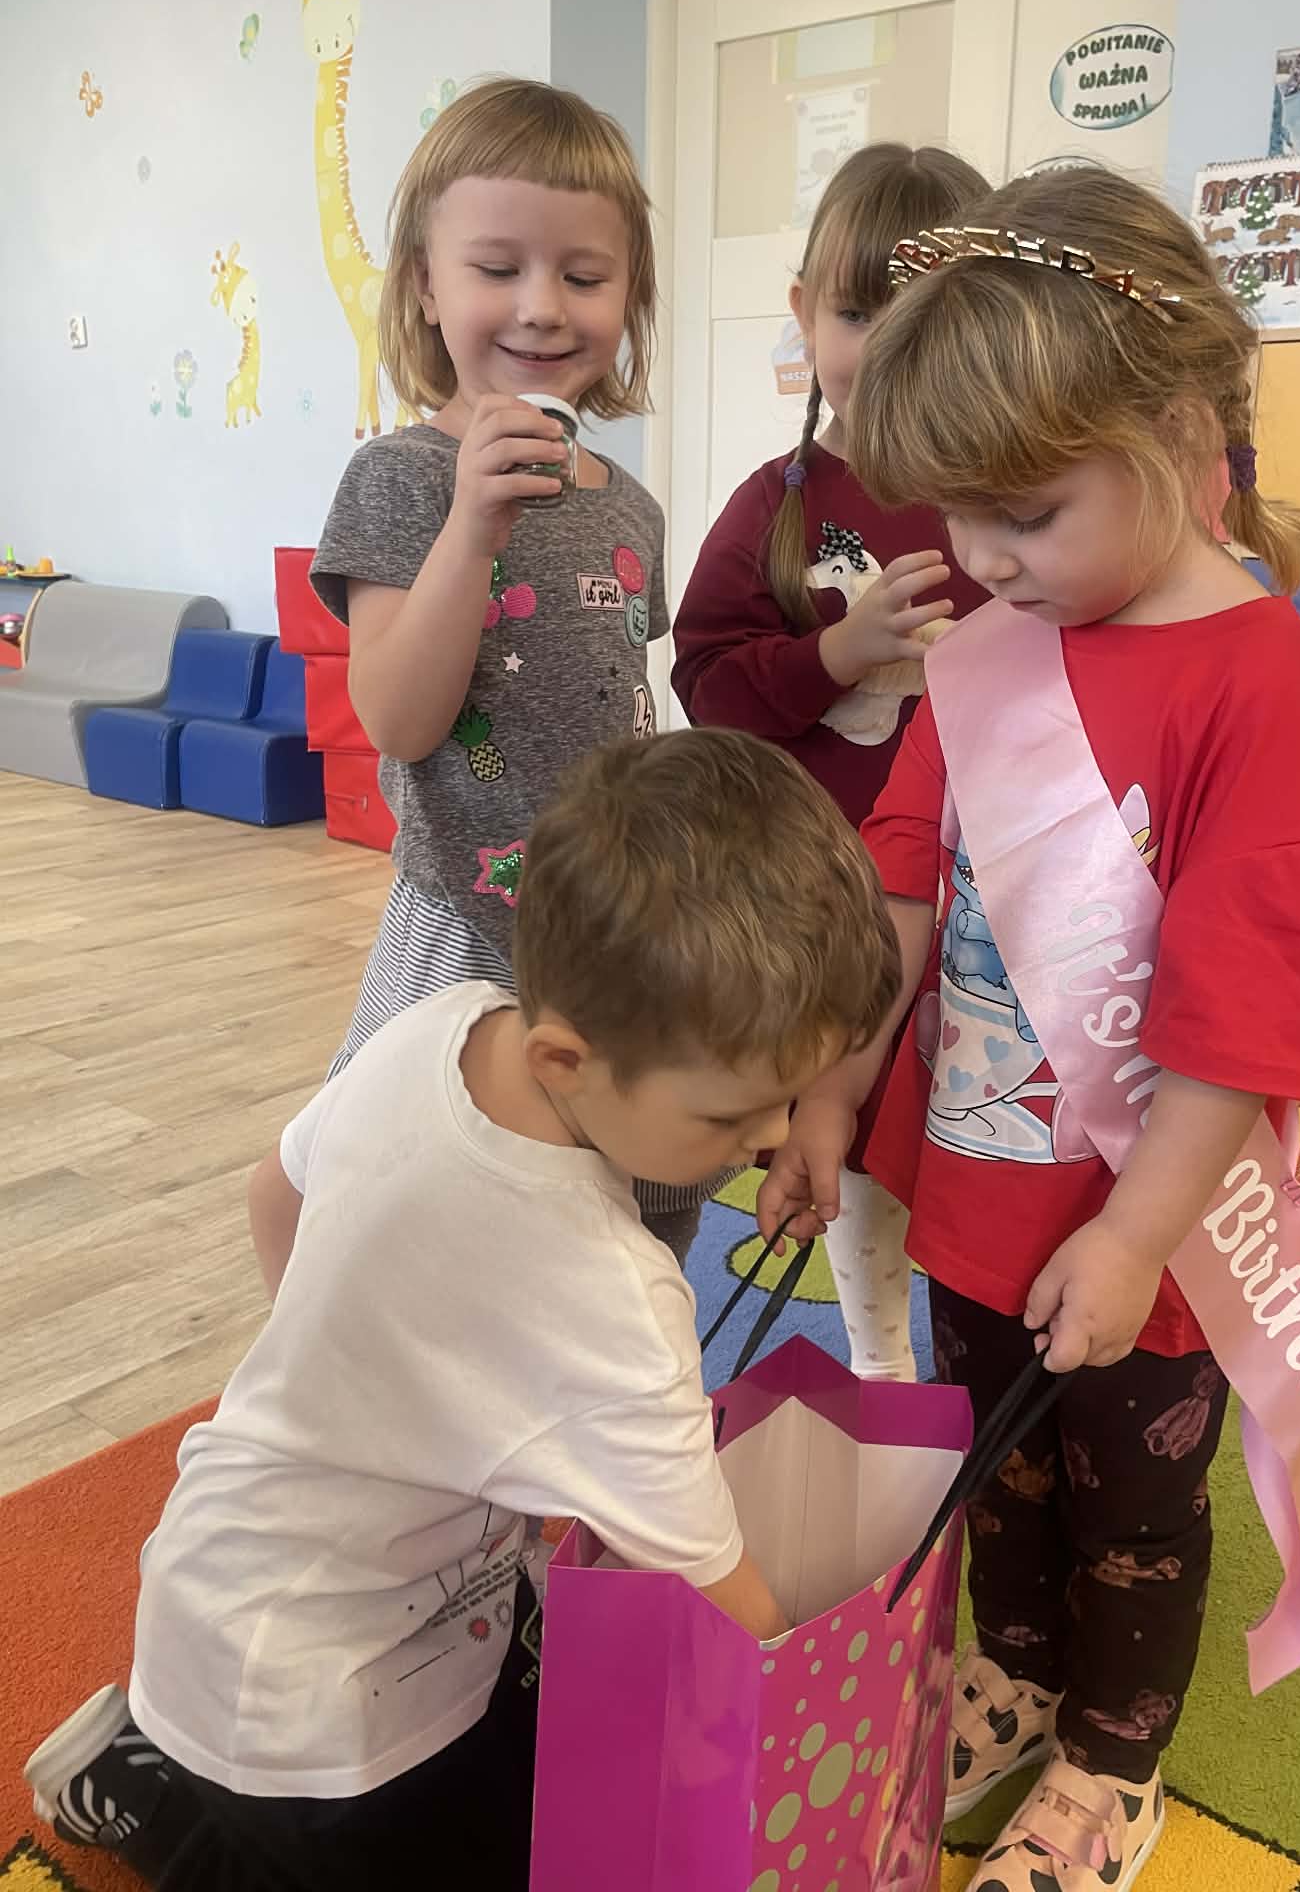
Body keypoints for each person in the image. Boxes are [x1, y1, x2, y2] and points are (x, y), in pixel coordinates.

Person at [757, 167, 1300, 1891]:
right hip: (966, 1186)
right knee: (1000, 1474)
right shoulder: (998, 634)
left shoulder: (1259, 678)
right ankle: (1018, 1679)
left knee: (1132, 1518)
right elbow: (903, 879)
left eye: (1023, 511)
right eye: (959, 513)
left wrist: (1133, 1235)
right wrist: (832, 1089)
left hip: (1144, 1230)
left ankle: (1111, 1764)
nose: (979, 559)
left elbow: (1247, 1021)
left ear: (1175, 437)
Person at [25, 729, 903, 1892]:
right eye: (730, 1114)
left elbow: (273, 1193)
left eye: (787, 1100)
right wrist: (858, 1685)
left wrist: (360, 1377)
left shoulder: (440, 1023)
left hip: (237, 1580)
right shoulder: (610, 1288)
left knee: (521, 1791)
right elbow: (714, 1581)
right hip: (316, 1714)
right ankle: (158, 1797)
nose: (769, 1140)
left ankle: (159, 1759)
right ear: (567, 1057)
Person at [247, 76, 708, 1282]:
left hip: (614, 916)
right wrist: (471, 527)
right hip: (462, 915)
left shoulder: (631, 505)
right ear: (424, 285)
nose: (542, 306)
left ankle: (615, 1364)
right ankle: (358, 1371)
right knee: (377, 1181)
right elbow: (398, 719)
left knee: (632, 1192)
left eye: (585, 275)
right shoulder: (401, 480)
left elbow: (625, 703)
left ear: (629, 297)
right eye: (498, 268)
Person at [671, 141, 989, 1382]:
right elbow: (708, 684)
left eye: (928, 317)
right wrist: (839, 651)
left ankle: (976, 1346)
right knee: (839, 1131)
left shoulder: (1014, 503)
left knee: (967, 1124)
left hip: (985, 905)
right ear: (805, 314)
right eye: (860, 313)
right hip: (831, 904)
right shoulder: (779, 503)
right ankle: (877, 1357)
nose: (891, 348)